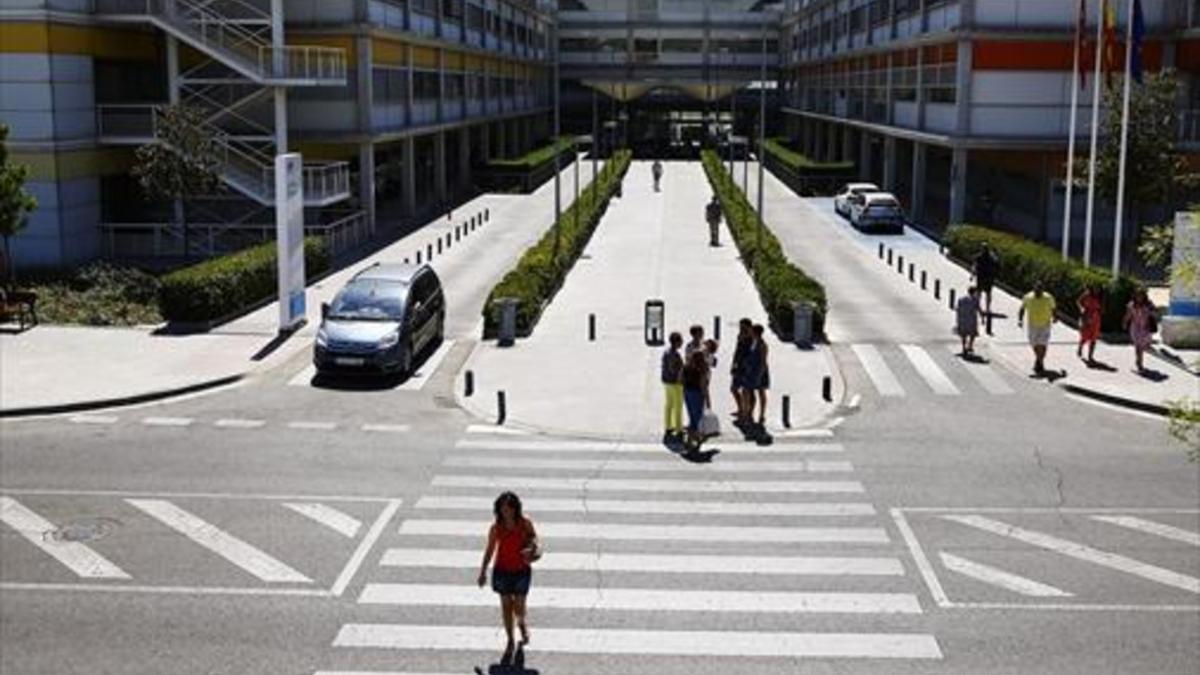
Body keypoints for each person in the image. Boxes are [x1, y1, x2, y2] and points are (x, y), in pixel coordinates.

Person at [477, 492, 540, 665]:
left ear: (515, 508)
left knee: (518, 607)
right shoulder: (496, 527)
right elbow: (490, 549)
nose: (507, 512)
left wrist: (533, 547)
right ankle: (510, 639)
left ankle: (521, 622)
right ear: (498, 510)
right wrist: (483, 571)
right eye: (503, 509)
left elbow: (535, 538)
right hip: (502, 571)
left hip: (521, 570)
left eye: (509, 508)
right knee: (506, 606)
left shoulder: (525, 523)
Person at [1017, 280, 1057, 375]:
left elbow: (1053, 308)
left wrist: (1055, 317)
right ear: (1034, 289)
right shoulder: (1028, 297)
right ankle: (1039, 360)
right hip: (1032, 324)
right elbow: (1022, 309)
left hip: (1045, 324)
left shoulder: (1048, 297)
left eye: (1040, 289)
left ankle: (1039, 362)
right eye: (1037, 289)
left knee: (1042, 344)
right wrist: (1020, 320)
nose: (1038, 291)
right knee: (1034, 343)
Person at [1124, 288, 1157, 374]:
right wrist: (1125, 322)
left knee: (1142, 346)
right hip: (1135, 327)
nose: (1139, 297)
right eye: (1137, 295)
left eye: (1141, 295)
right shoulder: (1131, 305)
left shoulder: (1148, 304)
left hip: (1145, 328)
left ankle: (1138, 361)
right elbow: (1128, 315)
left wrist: (1151, 311)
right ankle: (1139, 363)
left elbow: (1154, 313)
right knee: (1138, 346)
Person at [682, 350, 711, 450]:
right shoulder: (701, 370)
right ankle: (690, 441)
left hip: (686, 393)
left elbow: (679, 379)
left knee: (692, 417)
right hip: (697, 395)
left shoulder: (686, 367)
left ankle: (696, 437)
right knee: (696, 420)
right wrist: (708, 400)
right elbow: (703, 386)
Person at [661, 331, 685, 443]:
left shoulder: (666, 352)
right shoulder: (675, 354)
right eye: (681, 340)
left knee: (669, 405)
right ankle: (679, 428)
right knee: (678, 406)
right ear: (677, 342)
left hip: (667, 382)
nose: (682, 342)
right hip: (676, 383)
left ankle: (668, 426)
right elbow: (675, 369)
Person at [730, 319, 753, 425]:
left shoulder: (752, 339)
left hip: (747, 368)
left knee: (747, 392)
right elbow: (736, 350)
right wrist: (733, 364)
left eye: (743, 327)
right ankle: (740, 409)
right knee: (734, 389)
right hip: (738, 366)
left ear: (749, 327)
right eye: (740, 327)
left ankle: (747, 414)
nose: (741, 329)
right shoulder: (740, 336)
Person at [1076, 285, 1104, 364]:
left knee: (1094, 338)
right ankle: (1080, 347)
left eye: (1098, 288)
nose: (1096, 289)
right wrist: (1082, 309)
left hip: (1096, 319)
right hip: (1086, 316)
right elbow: (1078, 301)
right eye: (1095, 287)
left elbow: (1102, 308)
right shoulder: (1087, 294)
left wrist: (1100, 311)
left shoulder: (1101, 297)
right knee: (1085, 336)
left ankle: (1090, 356)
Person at [955, 286, 984, 356]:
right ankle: (970, 345)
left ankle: (964, 347)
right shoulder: (975, 300)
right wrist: (983, 318)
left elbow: (958, 309)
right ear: (974, 292)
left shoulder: (961, 299)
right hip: (972, 319)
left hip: (963, 319)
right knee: (972, 334)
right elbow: (979, 309)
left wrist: (958, 319)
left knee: (964, 334)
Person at [973, 243, 999, 318]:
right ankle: (987, 308)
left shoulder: (979, 256)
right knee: (988, 293)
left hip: (981, 277)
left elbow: (975, 265)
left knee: (979, 292)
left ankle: (978, 306)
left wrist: (972, 274)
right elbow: (996, 263)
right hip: (989, 278)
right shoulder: (991, 257)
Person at [751, 324, 770, 427]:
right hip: (754, 370)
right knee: (753, 391)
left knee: (761, 392)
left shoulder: (762, 345)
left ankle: (762, 414)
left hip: (760, 371)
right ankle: (752, 412)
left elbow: (763, 361)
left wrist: (760, 374)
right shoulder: (754, 342)